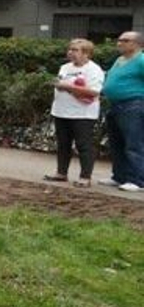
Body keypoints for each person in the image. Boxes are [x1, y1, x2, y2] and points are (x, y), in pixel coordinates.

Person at [46, 38, 105, 187]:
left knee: (83, 145)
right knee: (63, 144)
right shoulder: (65, 67)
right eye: (70, 49)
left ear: (86, 54)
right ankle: (61, 173)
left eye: (75, 50)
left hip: (82, 114)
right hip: (61, 111)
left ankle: (85, 177)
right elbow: (61, 83)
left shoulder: (94, 69)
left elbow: (94, 91)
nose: (70, 53)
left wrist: (67, 87)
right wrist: (59, 85)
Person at [102, 30, 144, 191]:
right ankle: (119, 176)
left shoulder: (141, 60)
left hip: (133, 105)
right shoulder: (120, 59)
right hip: (115, 105)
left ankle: (138, 180)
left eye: (124, 40)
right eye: (119, 39)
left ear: (137, 44)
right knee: (117, 143)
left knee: (134, 143)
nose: (119, 43)